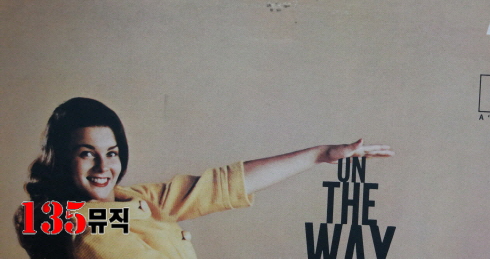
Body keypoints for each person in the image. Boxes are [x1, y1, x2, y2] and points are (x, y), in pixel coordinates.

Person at [15, 97, 393, 259]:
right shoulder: (79, 227)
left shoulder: (133, 198)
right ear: (61, 159)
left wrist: (319, 155)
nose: (103, 167)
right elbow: (73, 222)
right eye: (86, 153)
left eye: (111, 153)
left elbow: (221, 186)